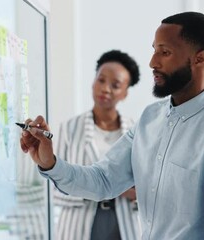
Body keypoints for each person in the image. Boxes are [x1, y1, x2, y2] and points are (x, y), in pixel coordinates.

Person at [20, 11, 204, 239]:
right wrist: (49, 163)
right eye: (154, 50)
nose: (153, 62)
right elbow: (104, 180)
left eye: (165, 52)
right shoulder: (150, 118)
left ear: (200, 58)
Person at [53, 50, 141, 240]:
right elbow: (54, 188)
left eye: (115, 85)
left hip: (123, 222)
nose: (106, 89)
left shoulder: (137, 132)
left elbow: (147, 188)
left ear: (125, 93)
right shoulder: (69, 129)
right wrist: (93, 188)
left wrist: (131, 193)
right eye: (101, 80)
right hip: (78, 224)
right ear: (93, 82)